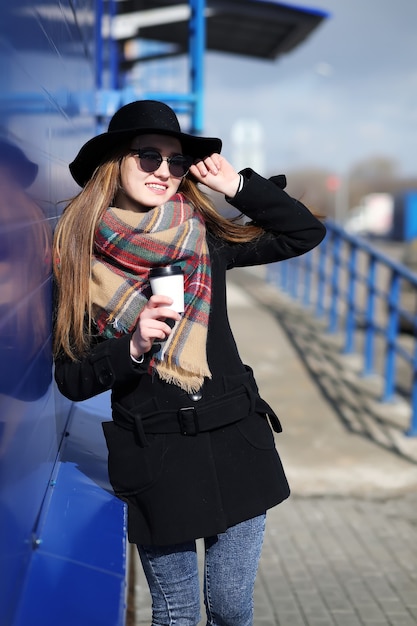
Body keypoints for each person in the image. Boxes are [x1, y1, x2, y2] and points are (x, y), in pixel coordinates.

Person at [53, 100, 326, 625]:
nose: (164, 171)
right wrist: (129, 348)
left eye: (176, 162)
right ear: (116, 161)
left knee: (229, 608)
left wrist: (236, 185)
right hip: (157, 458)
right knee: (177, 613)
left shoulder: (204, 236)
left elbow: (303, 233)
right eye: (148, 157)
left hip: (236, 441)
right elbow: (71, 379)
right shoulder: (78, 257)